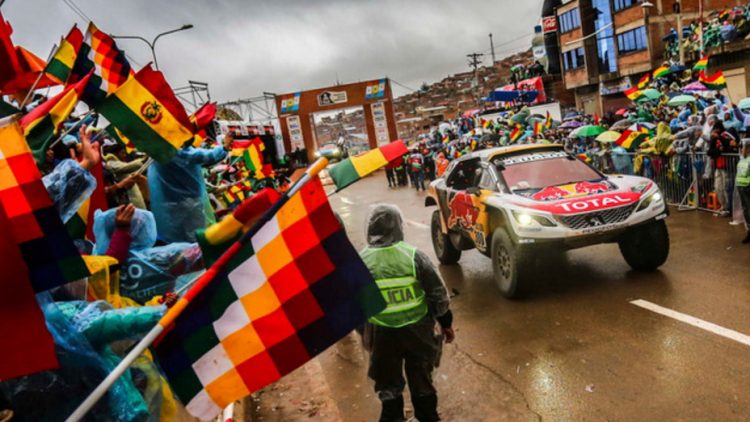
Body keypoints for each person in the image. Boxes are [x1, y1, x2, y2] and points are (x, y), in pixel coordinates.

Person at [360, 204, 453, 422]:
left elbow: (354, 305)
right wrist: (446, 324)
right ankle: (427, 416)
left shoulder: (361, 261)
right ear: (398, 226)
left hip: (381, 334)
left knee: (388, 385)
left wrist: (365, 334)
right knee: (421, 380)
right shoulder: (413, 256)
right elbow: (438, 296)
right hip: (417, 332)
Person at [148, 132, 232, 243]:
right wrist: (225, 147)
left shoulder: (157, 153)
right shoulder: (177, 153)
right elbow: (208, 156)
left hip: (170, 203)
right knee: (194, 238)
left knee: (177, 237)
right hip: (189, 204)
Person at [736, 139, 750, 243]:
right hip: (741, 187)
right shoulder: (742, 159)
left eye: (743, 147)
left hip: (748, 186)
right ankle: (749, 232)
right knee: (746, 210)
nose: (741, 149)